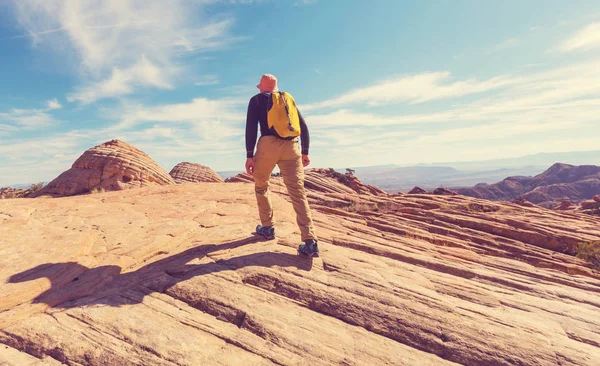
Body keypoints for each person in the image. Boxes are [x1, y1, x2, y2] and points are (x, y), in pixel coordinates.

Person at [245, 74, 319, 257]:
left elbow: (251, 128)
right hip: (292, 146)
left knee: (261, 186)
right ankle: (310, 241)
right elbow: (303, 125)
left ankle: (267, 228)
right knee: (297, 191)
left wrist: (249, 155)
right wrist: (305, 151)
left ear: (261, 87)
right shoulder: (287, 98)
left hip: (268, 145)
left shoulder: (256, 100)